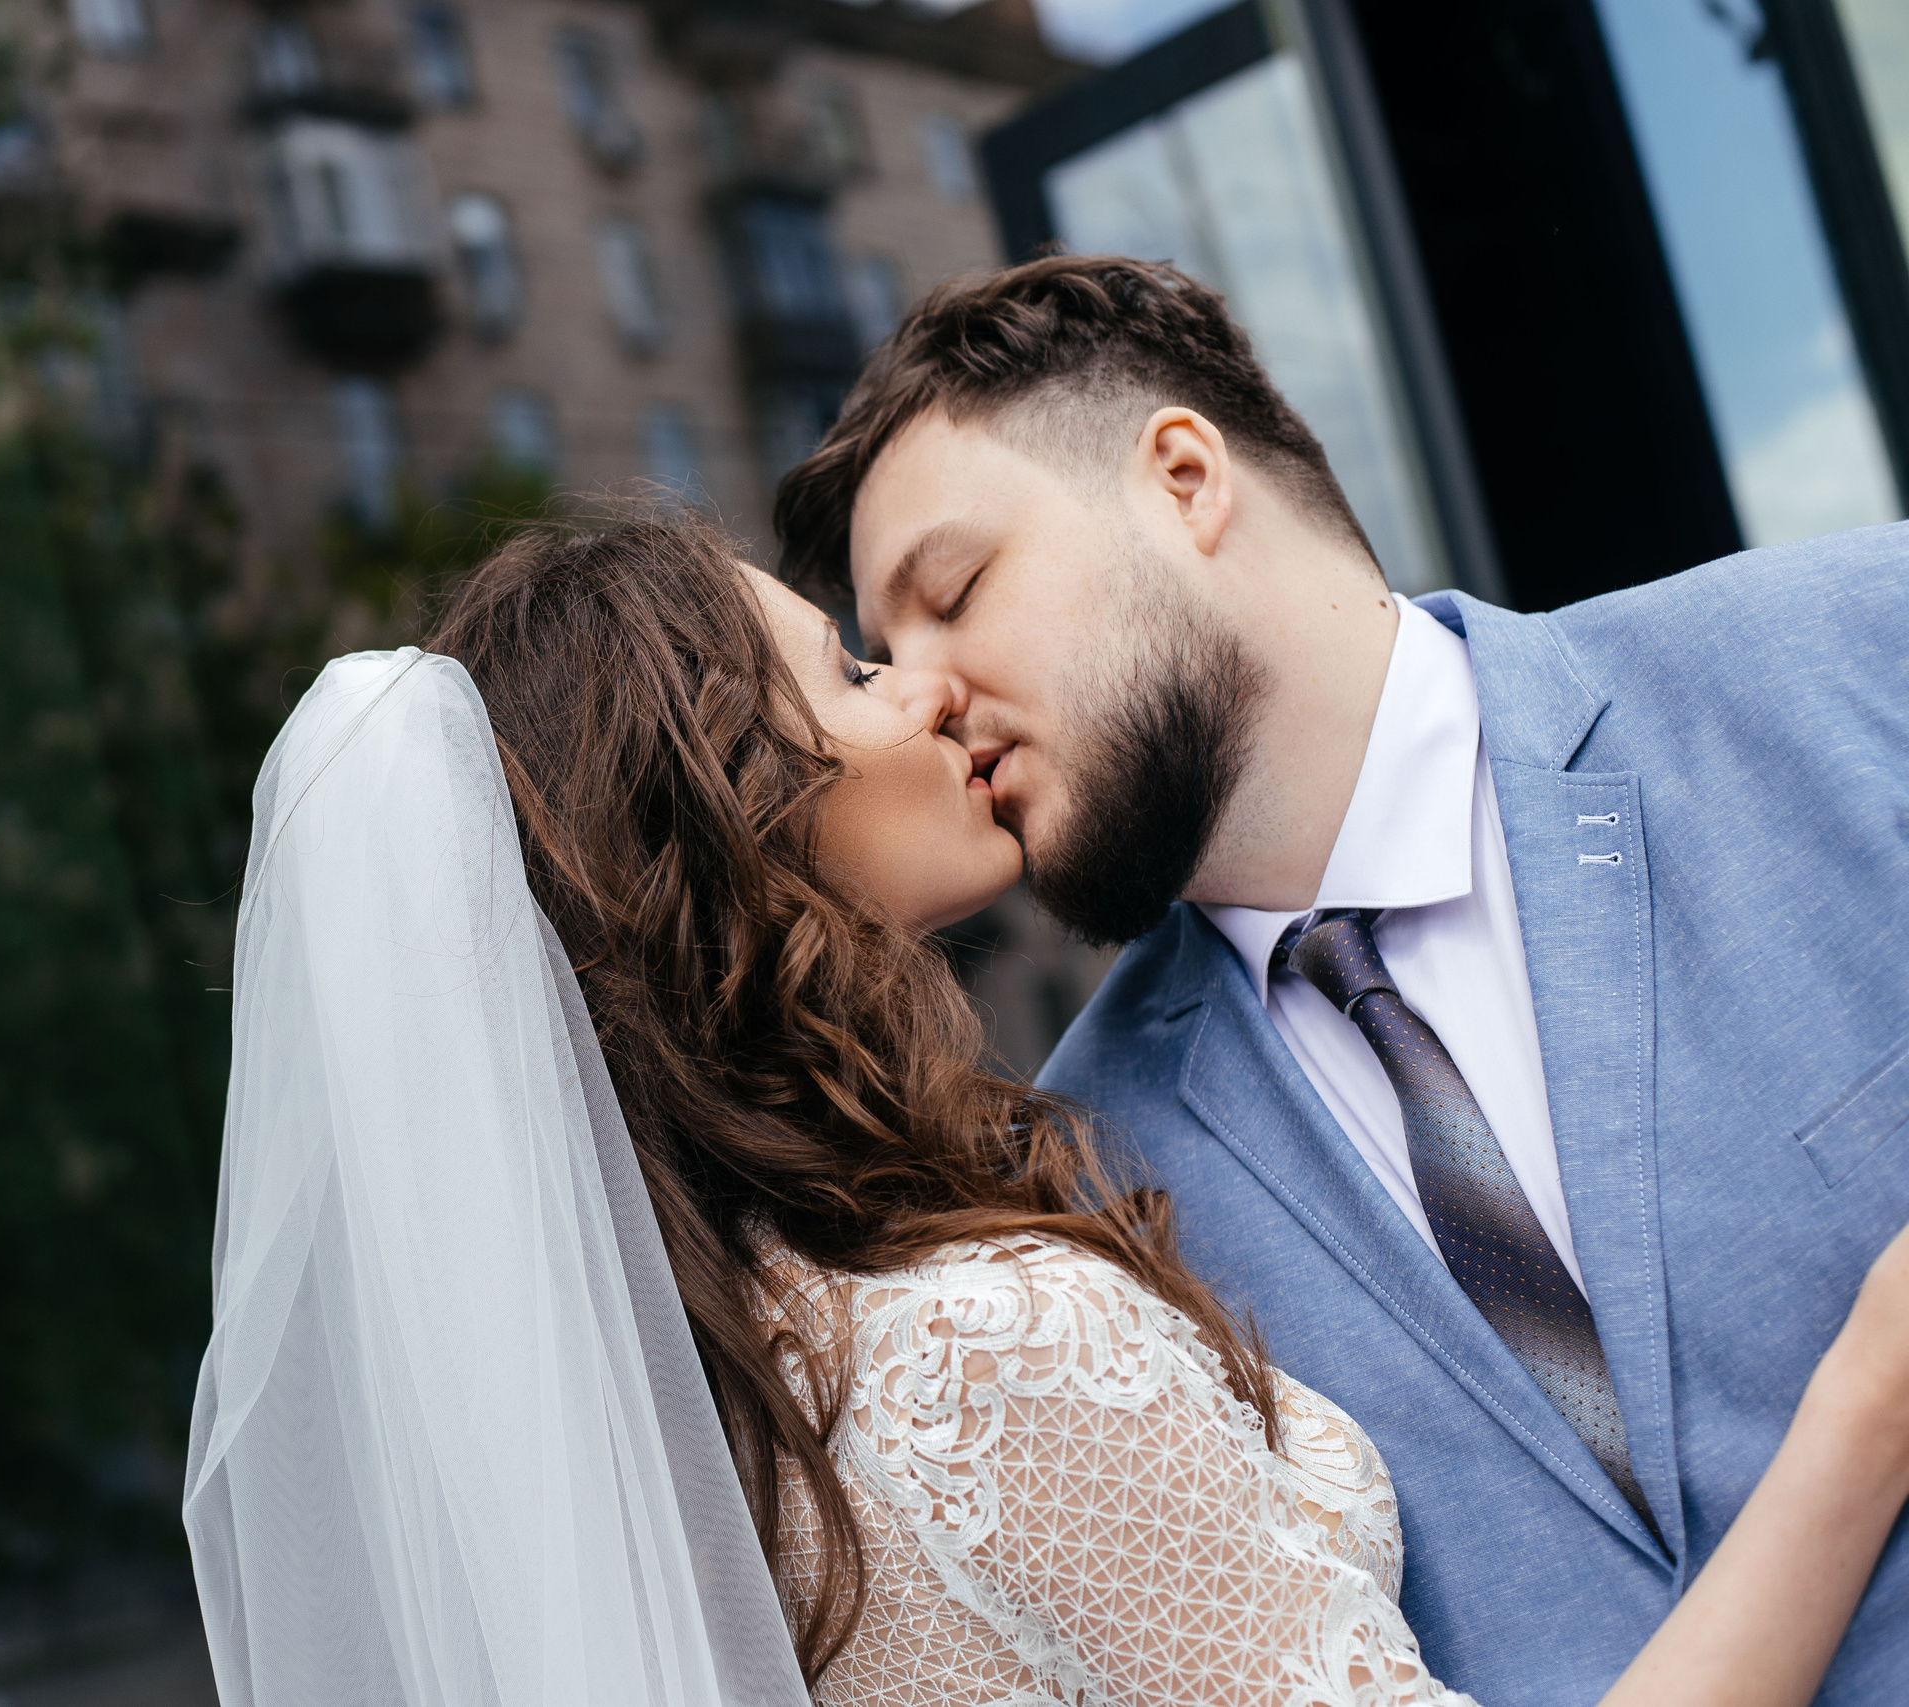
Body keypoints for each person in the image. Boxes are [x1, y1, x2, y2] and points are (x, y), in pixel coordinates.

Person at [186, 513, 1909, 1707]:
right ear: (729, 808)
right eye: (855, 673)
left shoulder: (744, 1390)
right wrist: (1871, 1398)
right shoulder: (970, 1355)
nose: (932, 687)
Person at [773, 252, 1909, 1703]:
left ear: (1184, 478)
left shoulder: (1860, 659)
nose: (924, 690)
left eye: (955, 590)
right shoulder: (1067, 1208)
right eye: (880, 657)